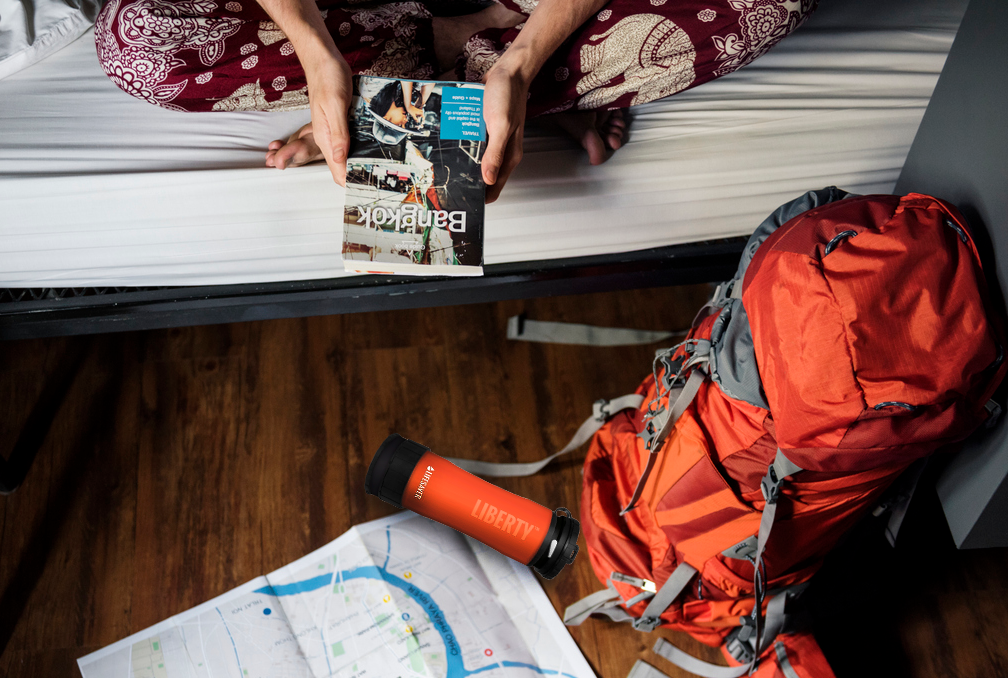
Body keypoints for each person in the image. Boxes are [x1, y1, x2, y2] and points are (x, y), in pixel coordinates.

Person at [95, 0, 818, 202]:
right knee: (136, 40)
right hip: (355, 16)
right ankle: (397, 77)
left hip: (543, 11)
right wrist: (316, 57)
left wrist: (524, 62)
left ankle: (493, 75)